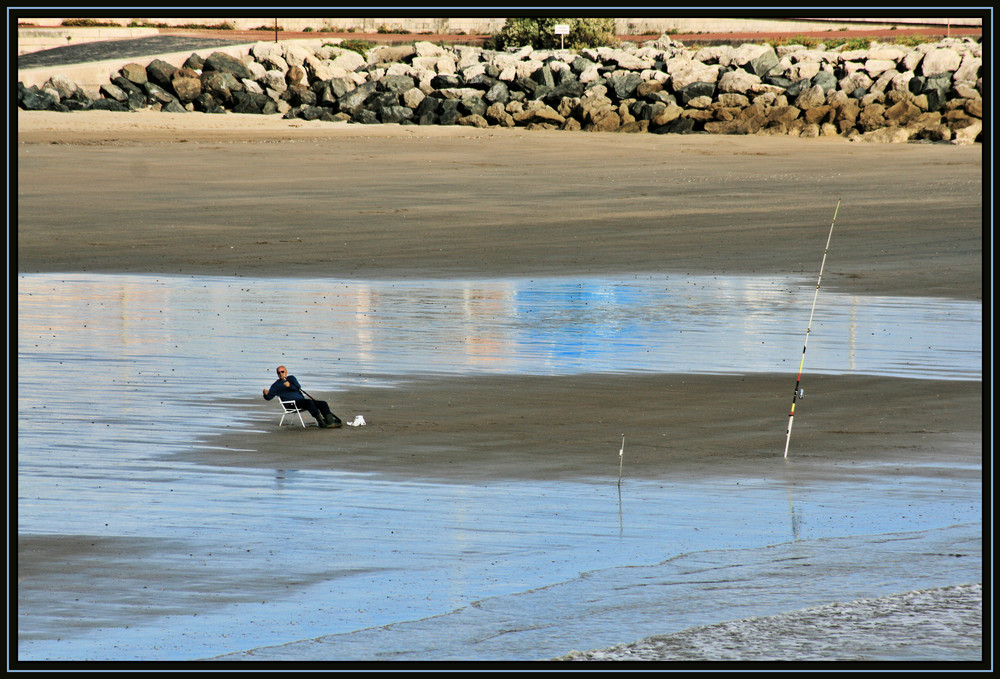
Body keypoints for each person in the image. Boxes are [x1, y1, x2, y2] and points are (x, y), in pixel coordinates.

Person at [263, 366, 342, 428]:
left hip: (301, 401)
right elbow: (269, 397)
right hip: (291, 404)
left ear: (286, 372)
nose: (281, 374)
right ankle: (321, 422)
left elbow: (297, 387)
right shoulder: (276, 385)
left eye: (282, 372)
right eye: (278, 373)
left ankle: (330, 421)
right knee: (309, 402)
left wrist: (289, 385)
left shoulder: (291, 378)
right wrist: (265, 394)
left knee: (323, 403)